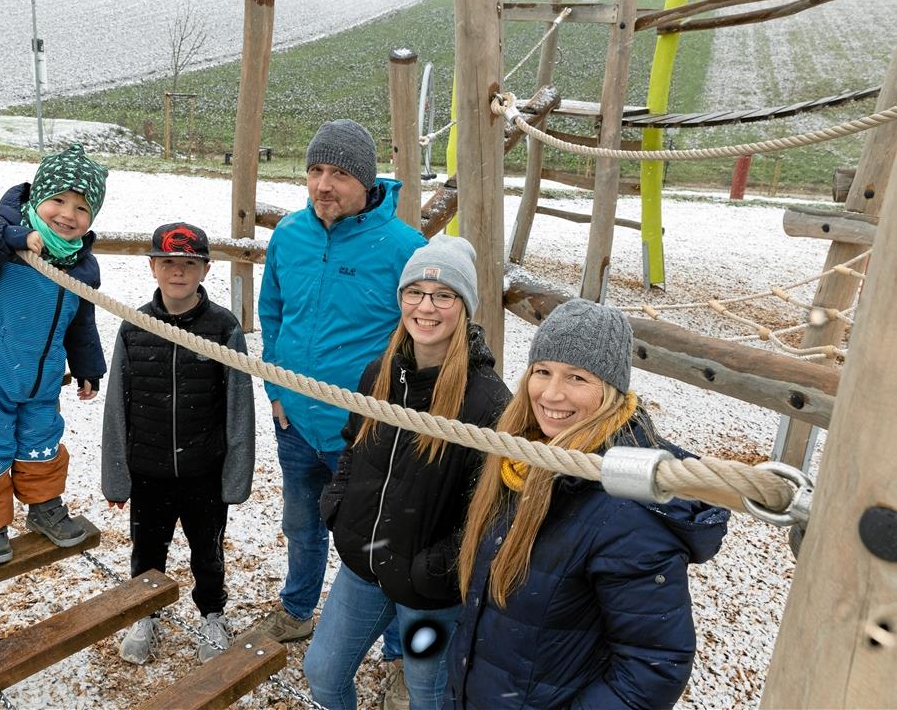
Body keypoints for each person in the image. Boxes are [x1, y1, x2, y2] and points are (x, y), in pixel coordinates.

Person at [444, 299, 731, 709]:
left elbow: (654, 666)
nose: (552, 393)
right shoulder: (522, 458)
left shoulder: (624, 511)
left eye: (577, 377)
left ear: (610, 389)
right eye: (542, 371)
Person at [305, 235, 511, 710]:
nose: (426, 307)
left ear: (464, 306)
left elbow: (488, 512)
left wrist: (431, 570)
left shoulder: (486, 401)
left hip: (429, 595)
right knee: (323, 670)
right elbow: (353, 445)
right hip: (365, 565)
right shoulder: (379, 372)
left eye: (443, 295)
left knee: (427, 694)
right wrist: (338, 506)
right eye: (414, 293)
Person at [255, 119, 426, 666]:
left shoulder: (404, 248)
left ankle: (400, 654)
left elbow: (424, 336)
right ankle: (299, 608)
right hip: (296, 422)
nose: (323, 185)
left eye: (339, 174)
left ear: (366, 180)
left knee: (381, 542)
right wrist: (276, 390)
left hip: (365, 432)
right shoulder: (289, 235)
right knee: (302, 526)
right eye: (315, 171)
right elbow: (273, 314)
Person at [0, 143, 109, 566]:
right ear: (37, 197)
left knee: (42, 442)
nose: (68, 215)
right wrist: (14, 237)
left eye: (82, 208)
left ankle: (44, 508)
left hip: (41, 375)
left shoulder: (80, 265)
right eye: (59, 200)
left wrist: (88, 365)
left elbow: (80, 320)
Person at [100, 222, 255, 664]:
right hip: (148, 468)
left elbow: (239, 404)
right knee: (147, 547)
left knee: (207, 548)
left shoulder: (223, 328)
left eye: (189, 263)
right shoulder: (135, 327)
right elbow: (117, 404)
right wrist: (117, 475)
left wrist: (236, 473)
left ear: (205, 269)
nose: (178, 272)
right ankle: (146, 612)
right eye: (168, 262)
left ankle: (211, 613)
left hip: (204, 468)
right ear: (152, 267)